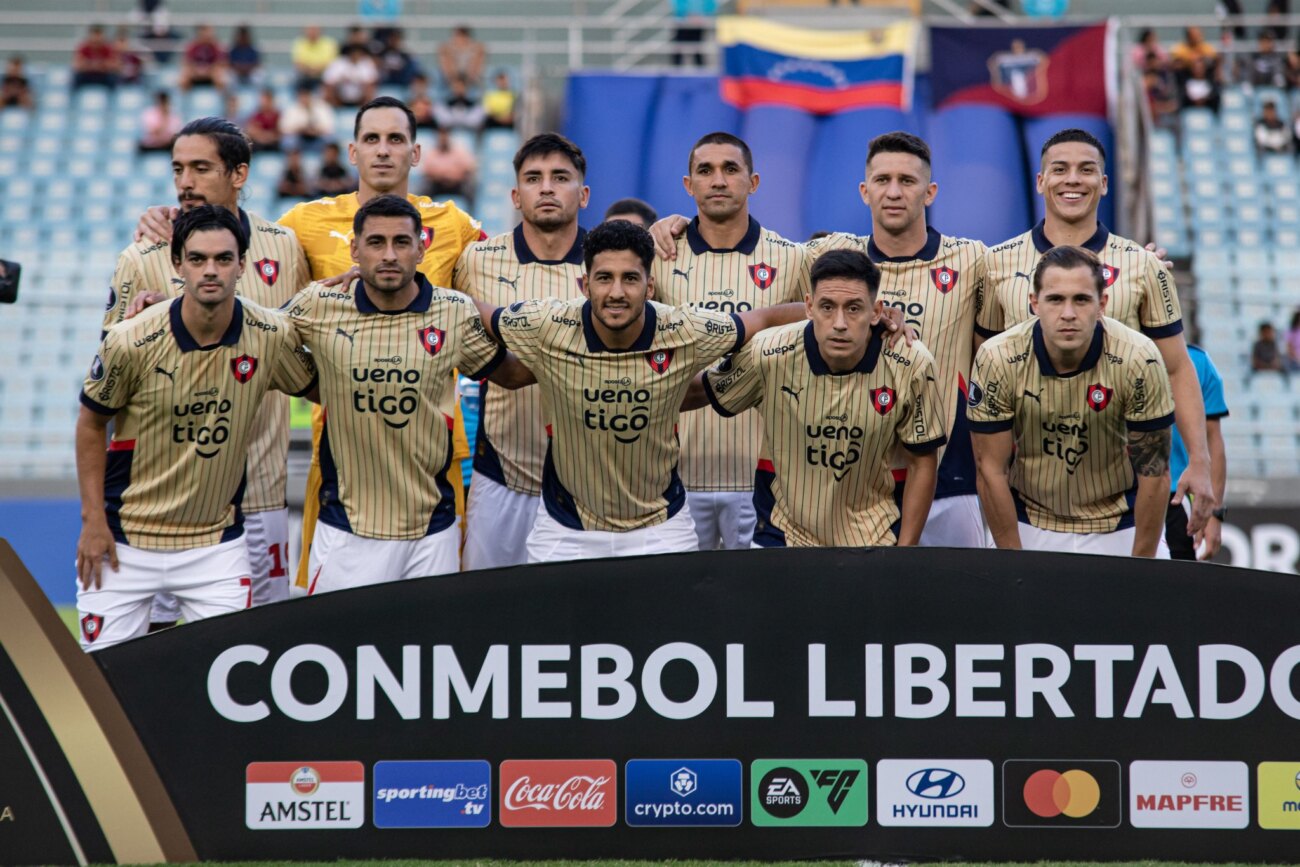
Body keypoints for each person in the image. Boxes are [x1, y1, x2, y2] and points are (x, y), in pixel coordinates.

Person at [133, 97, 486, 594]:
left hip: (435, 448)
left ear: (416, 153)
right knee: (334, 617)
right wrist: (176, 214)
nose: (382, 151)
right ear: (351, 151)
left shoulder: (457, 225)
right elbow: (230, 250)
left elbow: (497, 288)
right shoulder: (304, 224)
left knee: (438, 618)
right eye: (371, 139)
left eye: (395, 139)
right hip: (340, 446)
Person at [479, 220, 807, 562]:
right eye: (604, 278)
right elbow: (479, 315)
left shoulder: (685, 329)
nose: (617, 292)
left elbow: (765, 319)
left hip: (660, 529)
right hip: (566, 529)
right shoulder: (546, 325)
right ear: (585, 284)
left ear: (650, 286)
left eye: (630, 278)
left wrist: (834, 324)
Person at [76, 206, 317, 651]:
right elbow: (91, 423)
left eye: (224, 259)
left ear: (242, 265)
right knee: (102, 691)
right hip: (126, 543)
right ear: (176, 264)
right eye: (198, 259)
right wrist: (92, 522)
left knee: (232, 684)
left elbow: (323, 388)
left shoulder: (269, 334)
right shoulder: (130, 340)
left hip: (216, 545)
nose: (211, 271)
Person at [109, 117, 312, 622]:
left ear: (238, 174)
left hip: (260, 493)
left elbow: (302, 339)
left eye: (201, 168)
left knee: (254, 647)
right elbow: (111, 382)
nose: (185, 182)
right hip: (164, 502)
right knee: (150, 650)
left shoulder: (283, 246)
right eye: (178, 168)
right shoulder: (143, 255)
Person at [283, 195, 528, 593]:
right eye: (376, 243)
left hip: (433, 530)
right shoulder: (318, 305)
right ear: (354, 250)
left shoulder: (454, 312)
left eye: (401, 242)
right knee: (344, 652)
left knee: (428, 654)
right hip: (347, 528)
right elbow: (256, 339)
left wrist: (584, 346)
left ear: (421, 248)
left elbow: (512, 375)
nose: (389, 255)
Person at [979, 128, 1215, 536]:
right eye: (1060, 169)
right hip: (1029, 496)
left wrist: (1199, 460)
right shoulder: (995, 263)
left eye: (1086, 170)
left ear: (1104, 184)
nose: (1073, 179)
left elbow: (1176, 368)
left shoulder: (1143, 266)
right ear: (1040, 181)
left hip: (1123, 498)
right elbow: (981, 361)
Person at [795, 132, 991, 548]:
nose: (894, 192)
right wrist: (680, 226)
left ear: (930, 191)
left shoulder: (973, 259)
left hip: (948, 480)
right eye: (882, 180)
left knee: (959, 607)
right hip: (854, 486)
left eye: (908, 180)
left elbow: (1042, 272)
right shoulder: (825, 256)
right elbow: (755, 255)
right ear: (865, 192)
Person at [688, 249, 947, 547]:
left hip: (874, 537)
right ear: (809, 307)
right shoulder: (768, 353)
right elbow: (701, 391)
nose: (839, 323)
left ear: (876, 312)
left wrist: (906, 550)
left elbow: (922, 462)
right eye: (827, 307)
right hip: (781, 534)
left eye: (853, 308)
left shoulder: (913, 364)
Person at [638, 132, 811, 551]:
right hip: (672, 476)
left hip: (765, 476)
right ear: (688, 185)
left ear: (753, 182)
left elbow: (830, 315)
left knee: (753, 611)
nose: (718, 180)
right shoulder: (658, 254)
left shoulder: (793, 258)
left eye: (730, 170)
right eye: (706, 171)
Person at [970, 246, 1175, 558]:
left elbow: (1155, 472)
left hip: (1122, 522)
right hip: (1030, 521)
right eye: (1055, 299)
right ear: (1034, 303)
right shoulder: (997, 358)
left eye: (1081, 299)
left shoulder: (1139, 357)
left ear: (1102, 304)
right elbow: (990, 469)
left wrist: (1142, 566)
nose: (1068, 313)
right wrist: (1012, 562)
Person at [453, 133, 591, 570]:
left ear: (583, 194)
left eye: (560, 178)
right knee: (488, 615)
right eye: (534, 178)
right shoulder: (477, 261)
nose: (546, 188)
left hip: (590, 482)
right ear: (516, 195)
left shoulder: (611, 263)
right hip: (501, 478)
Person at [1165, 344, 1228, 561]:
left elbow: (1213, 440)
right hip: (1117, 495)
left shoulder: (1198, 362)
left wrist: (1214, 513)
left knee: (1175, 589)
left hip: (1176, 499)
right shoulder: (1109, 353)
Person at [420, 127, 477, 201]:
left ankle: (470, 211)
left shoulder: (460, 152)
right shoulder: (431, 153)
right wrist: (442, 176)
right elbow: (426, 172)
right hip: (438, 184)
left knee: (470, 190)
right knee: (425, 190)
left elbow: (469, 169)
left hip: (457, 184)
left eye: (445, 137)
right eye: (441, 137)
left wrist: (453, 177)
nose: (443, 140)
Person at [278, 83, 335, 152]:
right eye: (302, 95)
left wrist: (316, 130)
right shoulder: (292, 109)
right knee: (288, 141)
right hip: (299, 139)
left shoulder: (322, 107)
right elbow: (284, 128)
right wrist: (300, 129)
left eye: (306, 95)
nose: (304, 98)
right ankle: (295, 161)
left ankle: (326, 162)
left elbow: (329, 127)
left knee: (329, 140)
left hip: (318, 138)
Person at [323, 42, 379, 108]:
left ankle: (364, 109)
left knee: (370, 89)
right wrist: (342, 80)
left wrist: (357, 80)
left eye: (358, 53)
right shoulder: (338, 63)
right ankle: (335, 109)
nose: (356, 55)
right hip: (340, 95)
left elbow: (372, 81)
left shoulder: (367, 63)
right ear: (349, 53)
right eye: (354, 53)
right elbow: (328, 81)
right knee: (328, 88)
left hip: (360, 95)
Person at [178, 23, 227, 91]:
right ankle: (184, 99)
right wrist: (197, 70)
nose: (208, 34)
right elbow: (187, 62)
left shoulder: (216, 46)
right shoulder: (193, 46)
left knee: (221, 78)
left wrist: (208, 69)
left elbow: (221, 62)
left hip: (211, 72)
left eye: (210, 32)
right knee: (183, 78)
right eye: (206, 32)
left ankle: (221, 99)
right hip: (195, 72)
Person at [72, 25, 121, 89]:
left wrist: (92, 65)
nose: (96, 39)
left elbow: (115, 65)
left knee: (113, 78)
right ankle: (74, 97)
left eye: (99, 35)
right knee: (76, 77)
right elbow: (76, 65)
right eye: (95, 35)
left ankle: (112, 98)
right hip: (87, 75)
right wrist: (100, 65)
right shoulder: (83, 48)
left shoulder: (109, 48)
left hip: (103, 75)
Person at [292, 25, 339, 89]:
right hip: (305, 75)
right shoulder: (299, 43)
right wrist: (311, 70)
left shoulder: (329, 43)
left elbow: (332, 62)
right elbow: (298, 63)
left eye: (315, 30)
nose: (312, 32)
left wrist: (316, 70)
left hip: (324, 74)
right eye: (310, 30)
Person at [245, 88, 282, 152]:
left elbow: (280, 132)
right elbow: (251, 130)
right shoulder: (256, 115)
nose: (262, 103)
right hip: (259, 143)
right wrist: (263, 136)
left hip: (274, 143)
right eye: (262, 100)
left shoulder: (277, 115)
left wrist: (270, 136)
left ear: (270, 100)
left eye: (265, 100)